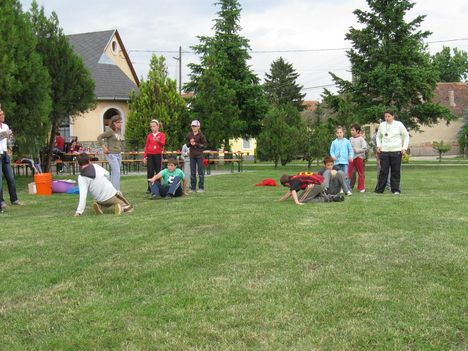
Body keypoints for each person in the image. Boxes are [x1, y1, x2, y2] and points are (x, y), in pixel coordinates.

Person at [374, 110, 409, 195]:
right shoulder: (382, 125)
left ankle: (395, 189)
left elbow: (406, 136)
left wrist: (404, 148)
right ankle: (380, 189)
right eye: (385, 116)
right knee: (383, 171)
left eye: (389, 116)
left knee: (395, 171)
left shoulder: (399, 124)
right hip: (384, 151)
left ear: (393, 116)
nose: (387, 118)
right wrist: (379, 145)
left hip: (396, 151)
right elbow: (378, 136)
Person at [0, 106, 23, 212]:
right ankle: (1, 202)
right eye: (1, 114)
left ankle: (14, 200)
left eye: (3, 114)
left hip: (5, 155)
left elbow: (10, 139)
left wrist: (10, 150)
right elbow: (3, 135)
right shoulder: (5, 130)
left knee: (11, 178)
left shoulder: (5, 126)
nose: (3, 116)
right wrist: (5, 134)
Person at [279, 172, 344, 205]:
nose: (289, 187)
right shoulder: (295, 177)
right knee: (308, 196)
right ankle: (333, 197)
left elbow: (292, 191)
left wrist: (297, 202)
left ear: (286, 183)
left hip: (316, 185)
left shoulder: (293, 180)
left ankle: (328, 198)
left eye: (287, 186)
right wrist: (280, 200)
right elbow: (290, 192)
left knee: (301, 200)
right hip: (321, 182)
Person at [97, 115, 123, 190]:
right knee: (116, 172)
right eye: (118, 122)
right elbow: (99, 137)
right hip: (111, 154)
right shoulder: (110, 131)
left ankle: (115, 190)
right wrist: (104, 147)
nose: (120, 124)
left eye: (121, 122)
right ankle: (114, 191)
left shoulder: (118, 131)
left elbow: (117, 142)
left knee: (116, 173)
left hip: (118, 154)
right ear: (114, 123)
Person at [143, 119, 166, 193]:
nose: (152, 128)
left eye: (154, 126)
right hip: (150, 155)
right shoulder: (149, 135)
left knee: (158, 171)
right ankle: (150, 188)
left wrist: (158, 141)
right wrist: (144, 157)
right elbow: (146, 146)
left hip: (158, 155)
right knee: (150, 172)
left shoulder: (162, 135)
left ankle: (158, 187)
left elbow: (163, 144)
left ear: (158, 126)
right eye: (151, 126)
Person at [186, 120, 207, 192]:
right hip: (192, 155)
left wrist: (196, 144)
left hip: (199, 155)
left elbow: (204, 145)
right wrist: (190, 143)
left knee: (200, 172)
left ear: (198, 127)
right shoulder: (189, 135)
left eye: (195, 126)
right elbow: (187, 144)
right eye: (192, 126)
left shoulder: (201, 135)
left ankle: (201, 188)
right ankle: (193, 188)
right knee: (193, 172)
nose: (193, 127)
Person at [348, 124, 368, 193]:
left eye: (353, 130)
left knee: (361, 173)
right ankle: (347, 186)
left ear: (358, 131)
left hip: (359, 157)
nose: (351, 131)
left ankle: (361, 187)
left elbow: (365, 148)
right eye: (351, 130)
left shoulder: (361, 139)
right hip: (351, 158)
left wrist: (357, 150)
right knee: (349, 172)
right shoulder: (350, 139)